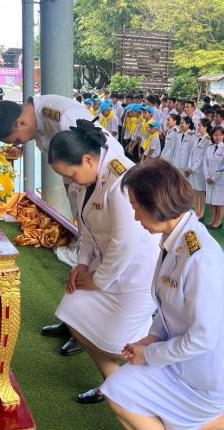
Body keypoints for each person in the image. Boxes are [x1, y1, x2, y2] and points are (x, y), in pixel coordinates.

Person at [101, 159, 224, 430]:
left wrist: (150, 353)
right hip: (182, 362)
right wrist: (152, 338)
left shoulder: (200, 258)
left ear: (155, 205)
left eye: (136, 208)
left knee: (147, 411)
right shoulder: (175, 240)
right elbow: (167, 306)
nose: (135, 217)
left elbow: (203, 339)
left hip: (212, 377)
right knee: (117, 390)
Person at [0, 95, 123, 356]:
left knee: (98, 262)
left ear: (22, 121)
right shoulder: (39, 120)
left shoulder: (61, 115)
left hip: (104, 192)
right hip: (83, 191)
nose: (18, 144)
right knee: (85, 253)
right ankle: (74, 324)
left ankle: (87, 333)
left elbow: (102, 156)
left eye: (15, 139)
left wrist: (94, 195)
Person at [47, 125, 160, 404]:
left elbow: (125, 243)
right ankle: (114, 383)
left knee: (118, 345)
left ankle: (131, 391)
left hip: (135, 276)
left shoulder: (121, 180)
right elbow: (86, 228)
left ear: (87, 160)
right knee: (71, 312)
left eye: (71, 174)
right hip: (104, 268)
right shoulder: (90, 178)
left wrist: (97, 280)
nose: (71, 181)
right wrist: (81, 264)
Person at [203, 126, 224, 229]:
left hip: (221, 180)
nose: (217, 137)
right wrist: (207, 177)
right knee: (211, 200)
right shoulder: (209, 147)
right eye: (215, 135)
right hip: (209, 178)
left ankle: (219, 221)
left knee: (220, 202)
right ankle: (213, 219)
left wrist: (214, 178)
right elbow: (205, 163)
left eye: (220, 135)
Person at [186, 119, 212, 220]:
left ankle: (201, 212)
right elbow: (192, 153)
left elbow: (203, 157)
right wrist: (189, 166)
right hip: (192, 169)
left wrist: (193, 167)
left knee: (201, 192)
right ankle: (196, 211)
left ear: (205, 127)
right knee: (195, 191)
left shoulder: (208, 140)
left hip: (200, 170)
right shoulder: (198, 138)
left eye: (200, 126)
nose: (198, 128)